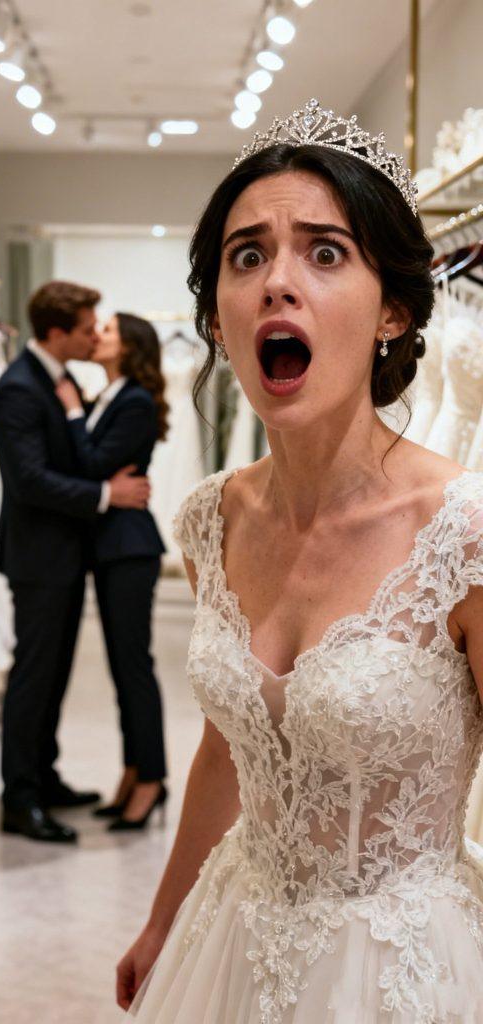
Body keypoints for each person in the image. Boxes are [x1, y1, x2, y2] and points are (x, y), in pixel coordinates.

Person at [116, 100, 483, 1022]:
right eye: (247, 256)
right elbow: (228, 749)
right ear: (218, 316)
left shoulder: (464, 531)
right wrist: (163, 920)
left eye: (325, 252)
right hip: (233, 937)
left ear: (393, 309)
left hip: (402, 969)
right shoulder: (211, 520)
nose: (278, 282)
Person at [0, 281, 150, 844]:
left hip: (63, 555)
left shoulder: (59, 380)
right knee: (34, 676)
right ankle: (20, 798)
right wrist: (107, 495)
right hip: (38, 557)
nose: (92, 337)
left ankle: (44, 775)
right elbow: (29, 481)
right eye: (85, 329)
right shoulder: (17, 389)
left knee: (53, 674)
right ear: (57, 333)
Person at [56, 312, 168, 831]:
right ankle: (133, 771)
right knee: (123, 669)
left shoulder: (135, 401)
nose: (96, 336)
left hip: (129, 547)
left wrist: (73, 412)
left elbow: (92, 464)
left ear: (128, 347)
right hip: (111, 545)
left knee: (133, 667)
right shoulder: (114, 394)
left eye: (107, 331)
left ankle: (151, 780)